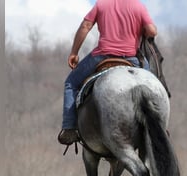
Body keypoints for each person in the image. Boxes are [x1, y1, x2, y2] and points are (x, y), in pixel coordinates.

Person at [58, 0, 157, 145]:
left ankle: (69, 128)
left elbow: (86, 25)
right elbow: (152, 31)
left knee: (71, 83)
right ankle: (156, 125)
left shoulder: (101, 4)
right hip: (131, 57)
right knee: (152, 86)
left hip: (102, 55)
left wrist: (74, 52)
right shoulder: (138, 6)